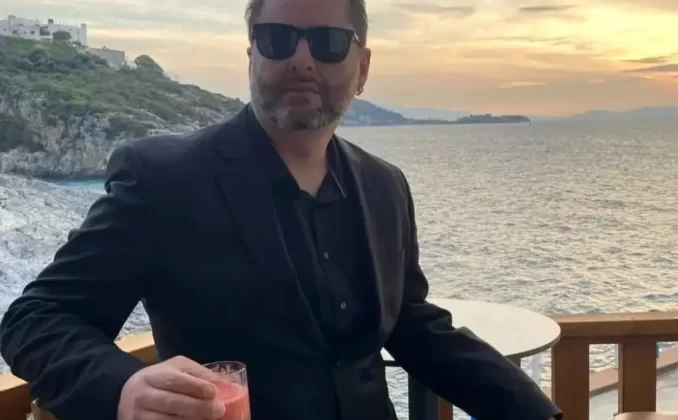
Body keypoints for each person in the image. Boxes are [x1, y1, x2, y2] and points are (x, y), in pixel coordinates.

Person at [0, 0, 563, 419]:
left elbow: (413, 324)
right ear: (252, 57)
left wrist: (537, 411)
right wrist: (123, 387)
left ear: (363, 67)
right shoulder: (165, 180)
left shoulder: (385, 187)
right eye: (277, 38)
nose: (301, 60)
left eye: (328, 42)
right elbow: (36, 317)